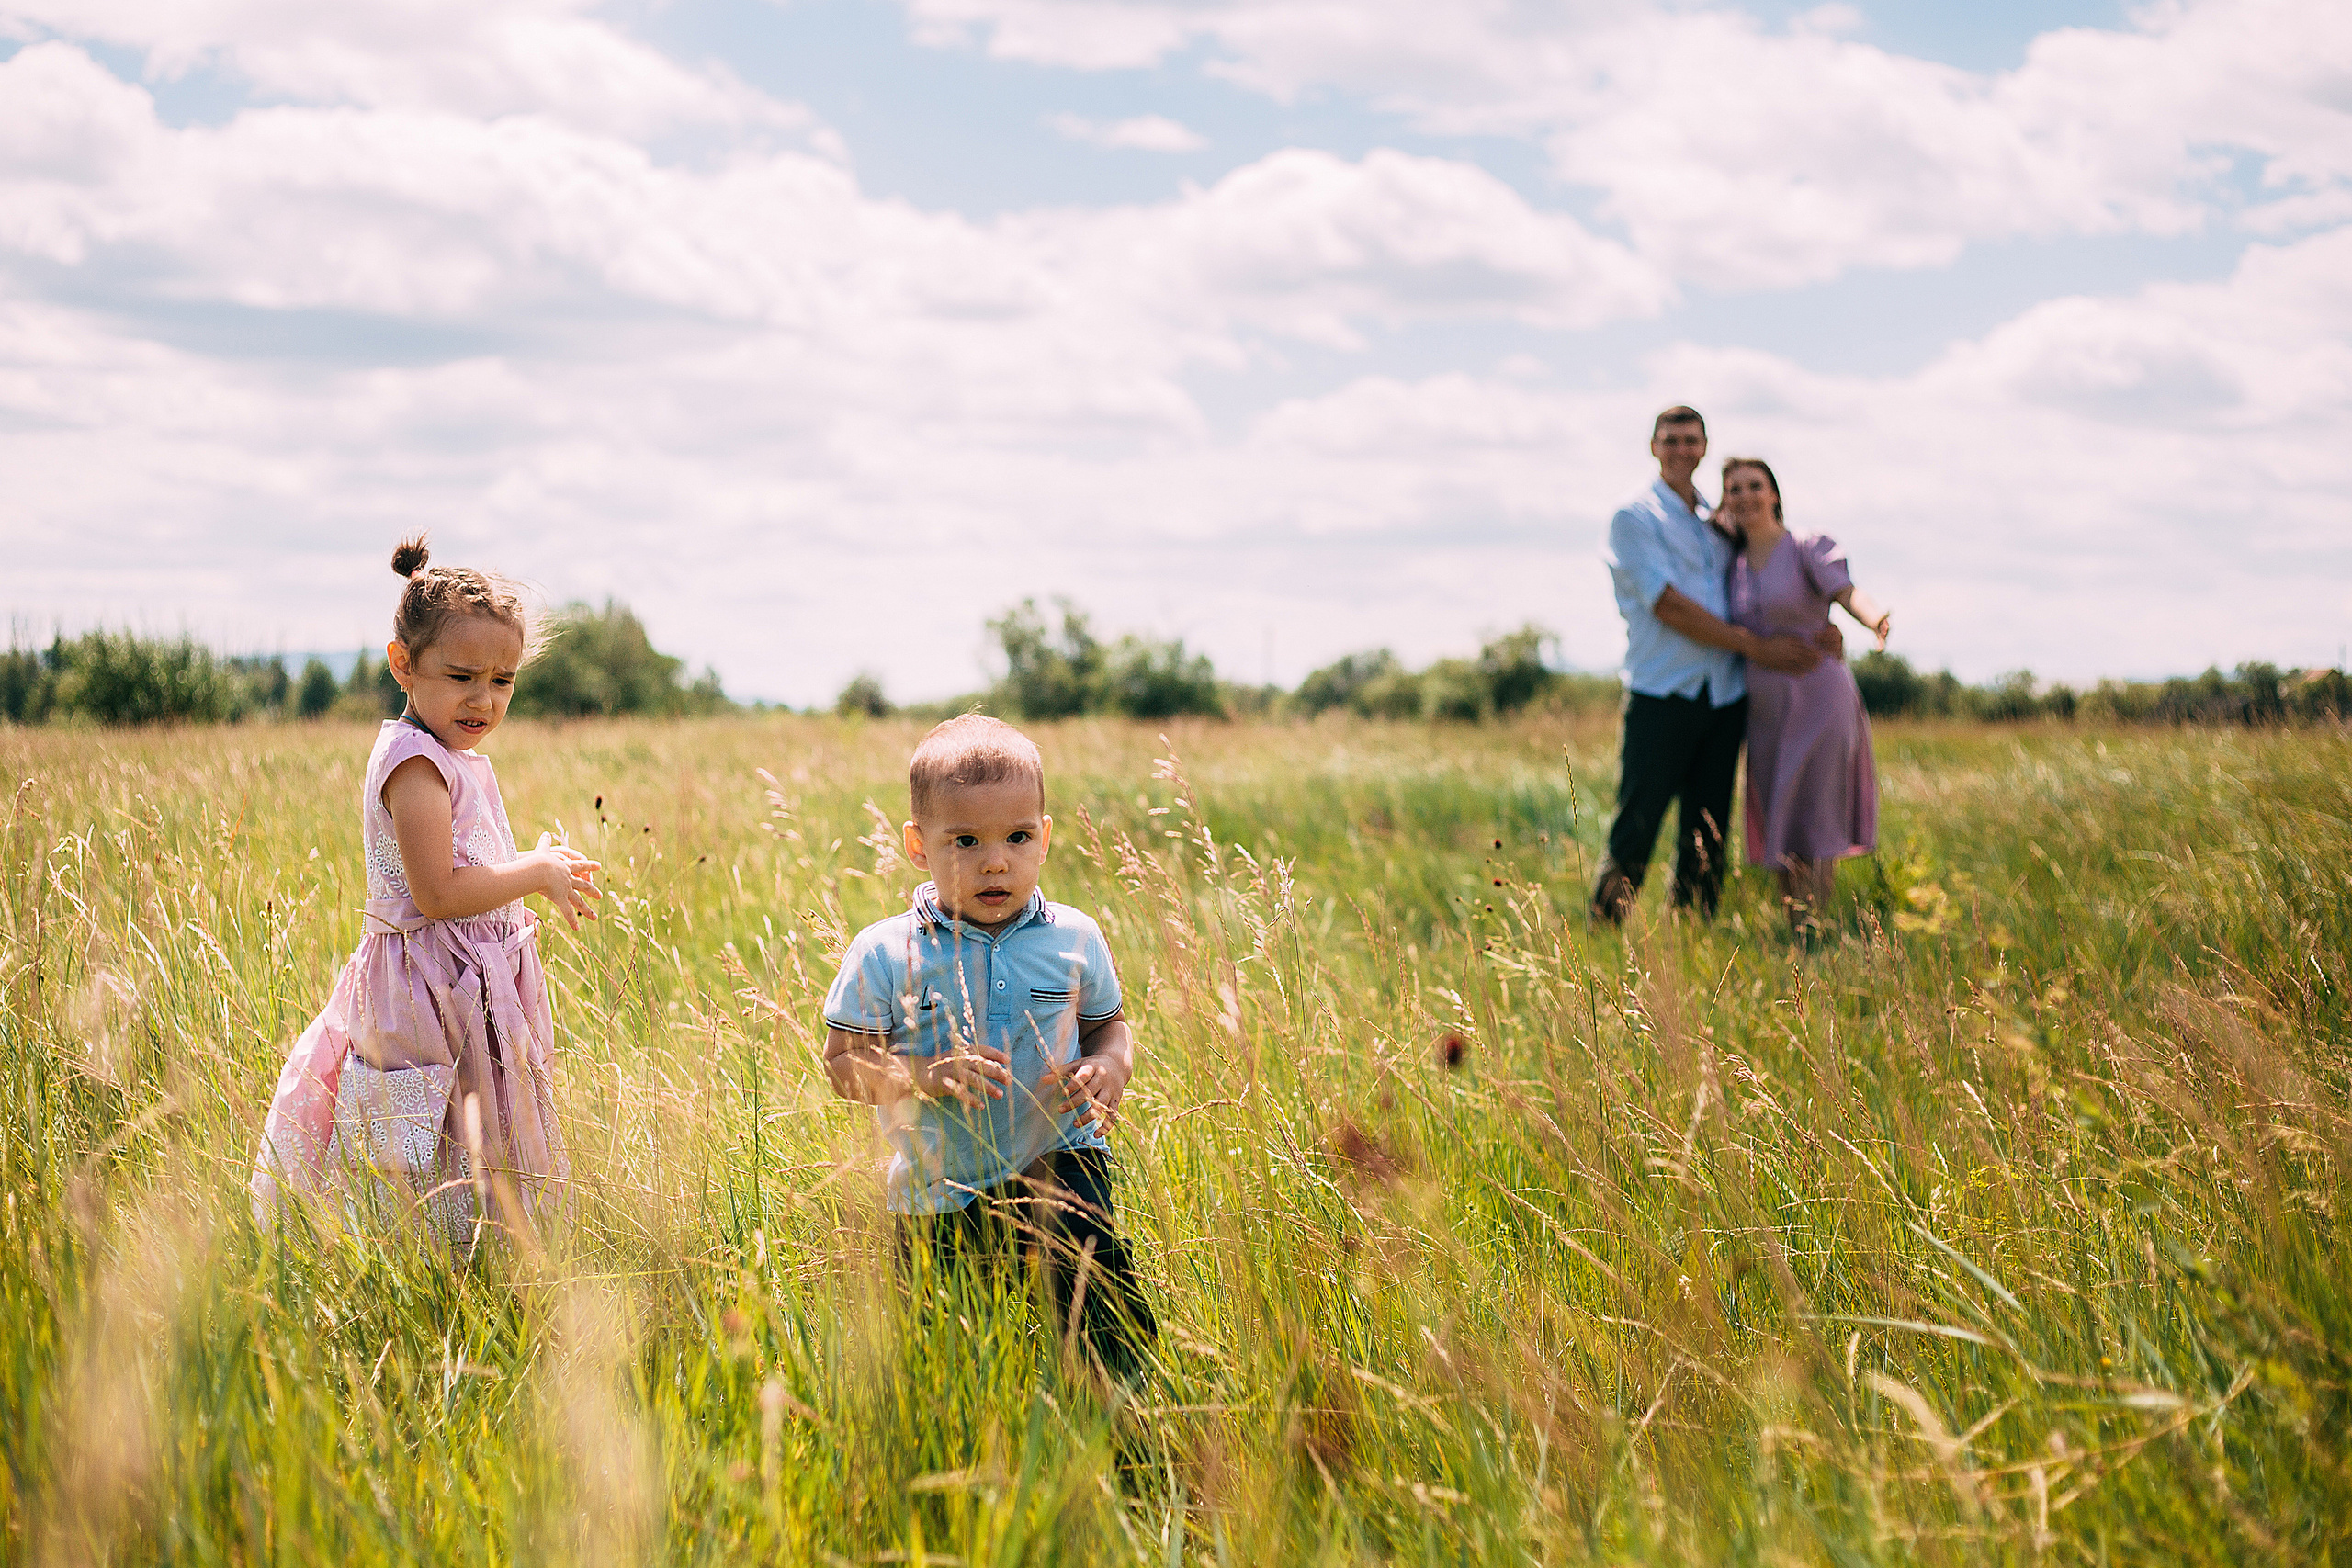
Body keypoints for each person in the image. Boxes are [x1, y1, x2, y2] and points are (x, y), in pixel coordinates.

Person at [251, 536, 597, 1249]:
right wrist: (534, 875)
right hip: (425, 993)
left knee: (480, 1129)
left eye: (502, 680)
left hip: (463, 987)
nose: (483, 698)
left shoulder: (456, 757)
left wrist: (528, 860)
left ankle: (481, 1262)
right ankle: (421, 1264)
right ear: (403, 665)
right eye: (462, 675)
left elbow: (472, 866)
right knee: (426, 1135)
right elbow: (436, 893)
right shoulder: (413, 763)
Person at [820, 715, 1155, 1380]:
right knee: (943, 1353)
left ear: (1045, 837)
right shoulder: (887, 951)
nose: (995, 859)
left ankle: (1129, 1441)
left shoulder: (1075, 938)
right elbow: (842, 1064)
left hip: (1062, 1161)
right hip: (937, 1190)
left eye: (1017, 836)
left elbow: (1109, 1026)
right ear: (918, 845)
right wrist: (922, 1074)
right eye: (965, 840)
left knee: (1103, 1319)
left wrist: (1111, 1062)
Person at [1592, 407, 1837, 923]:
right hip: (1663, 694)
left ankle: (1693, 934)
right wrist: (1756, 648)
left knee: (1707, 832)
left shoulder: (1715, 523)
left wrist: (1820, 622)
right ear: (1653, 446)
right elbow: (1668, 605)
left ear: (1703, 447)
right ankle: (1605, 936)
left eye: (1691, 440)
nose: (1682, 449)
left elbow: (1773, 576)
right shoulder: (1634, 518)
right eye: (1671, 440)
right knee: (1637, 823)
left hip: (1724, 697)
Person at [1720, 457, 1891, 935]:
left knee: (1814, 809)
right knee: (1780, 806)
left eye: (1755, 486)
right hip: (1766, 708)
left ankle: (1815, 928)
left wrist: (1875, 618)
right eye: (1734, 489)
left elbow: (1846, 592)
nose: (1746, 496)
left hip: (1819, 695)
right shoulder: (1729, 561)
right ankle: (1793, 925)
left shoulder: (1806, 547)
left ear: (1774, 494)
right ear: (1724, 500)